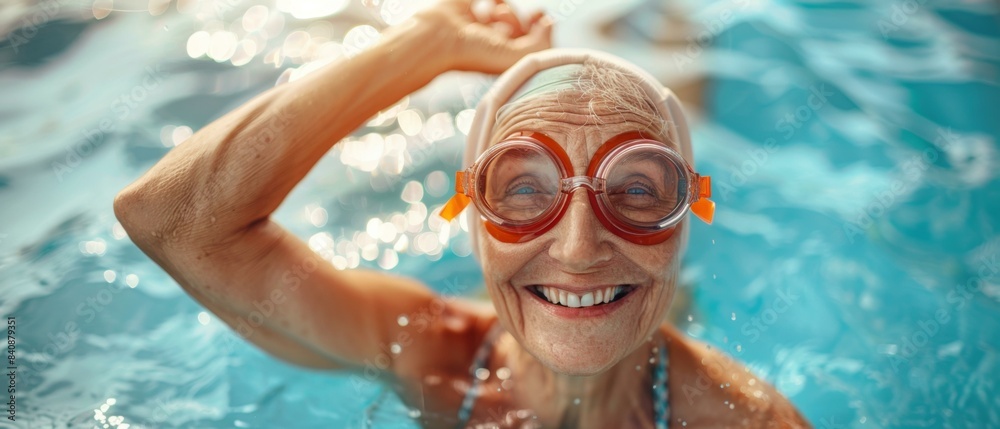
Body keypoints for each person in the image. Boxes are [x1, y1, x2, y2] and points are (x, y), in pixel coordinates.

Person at [114, 0, 809, 427]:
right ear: (472, 214)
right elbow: (172, 221)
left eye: (638, 191)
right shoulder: (430, 354)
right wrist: (424, 44)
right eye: (525, 189)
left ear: (685, 218)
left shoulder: (745, 420)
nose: (578, 245)